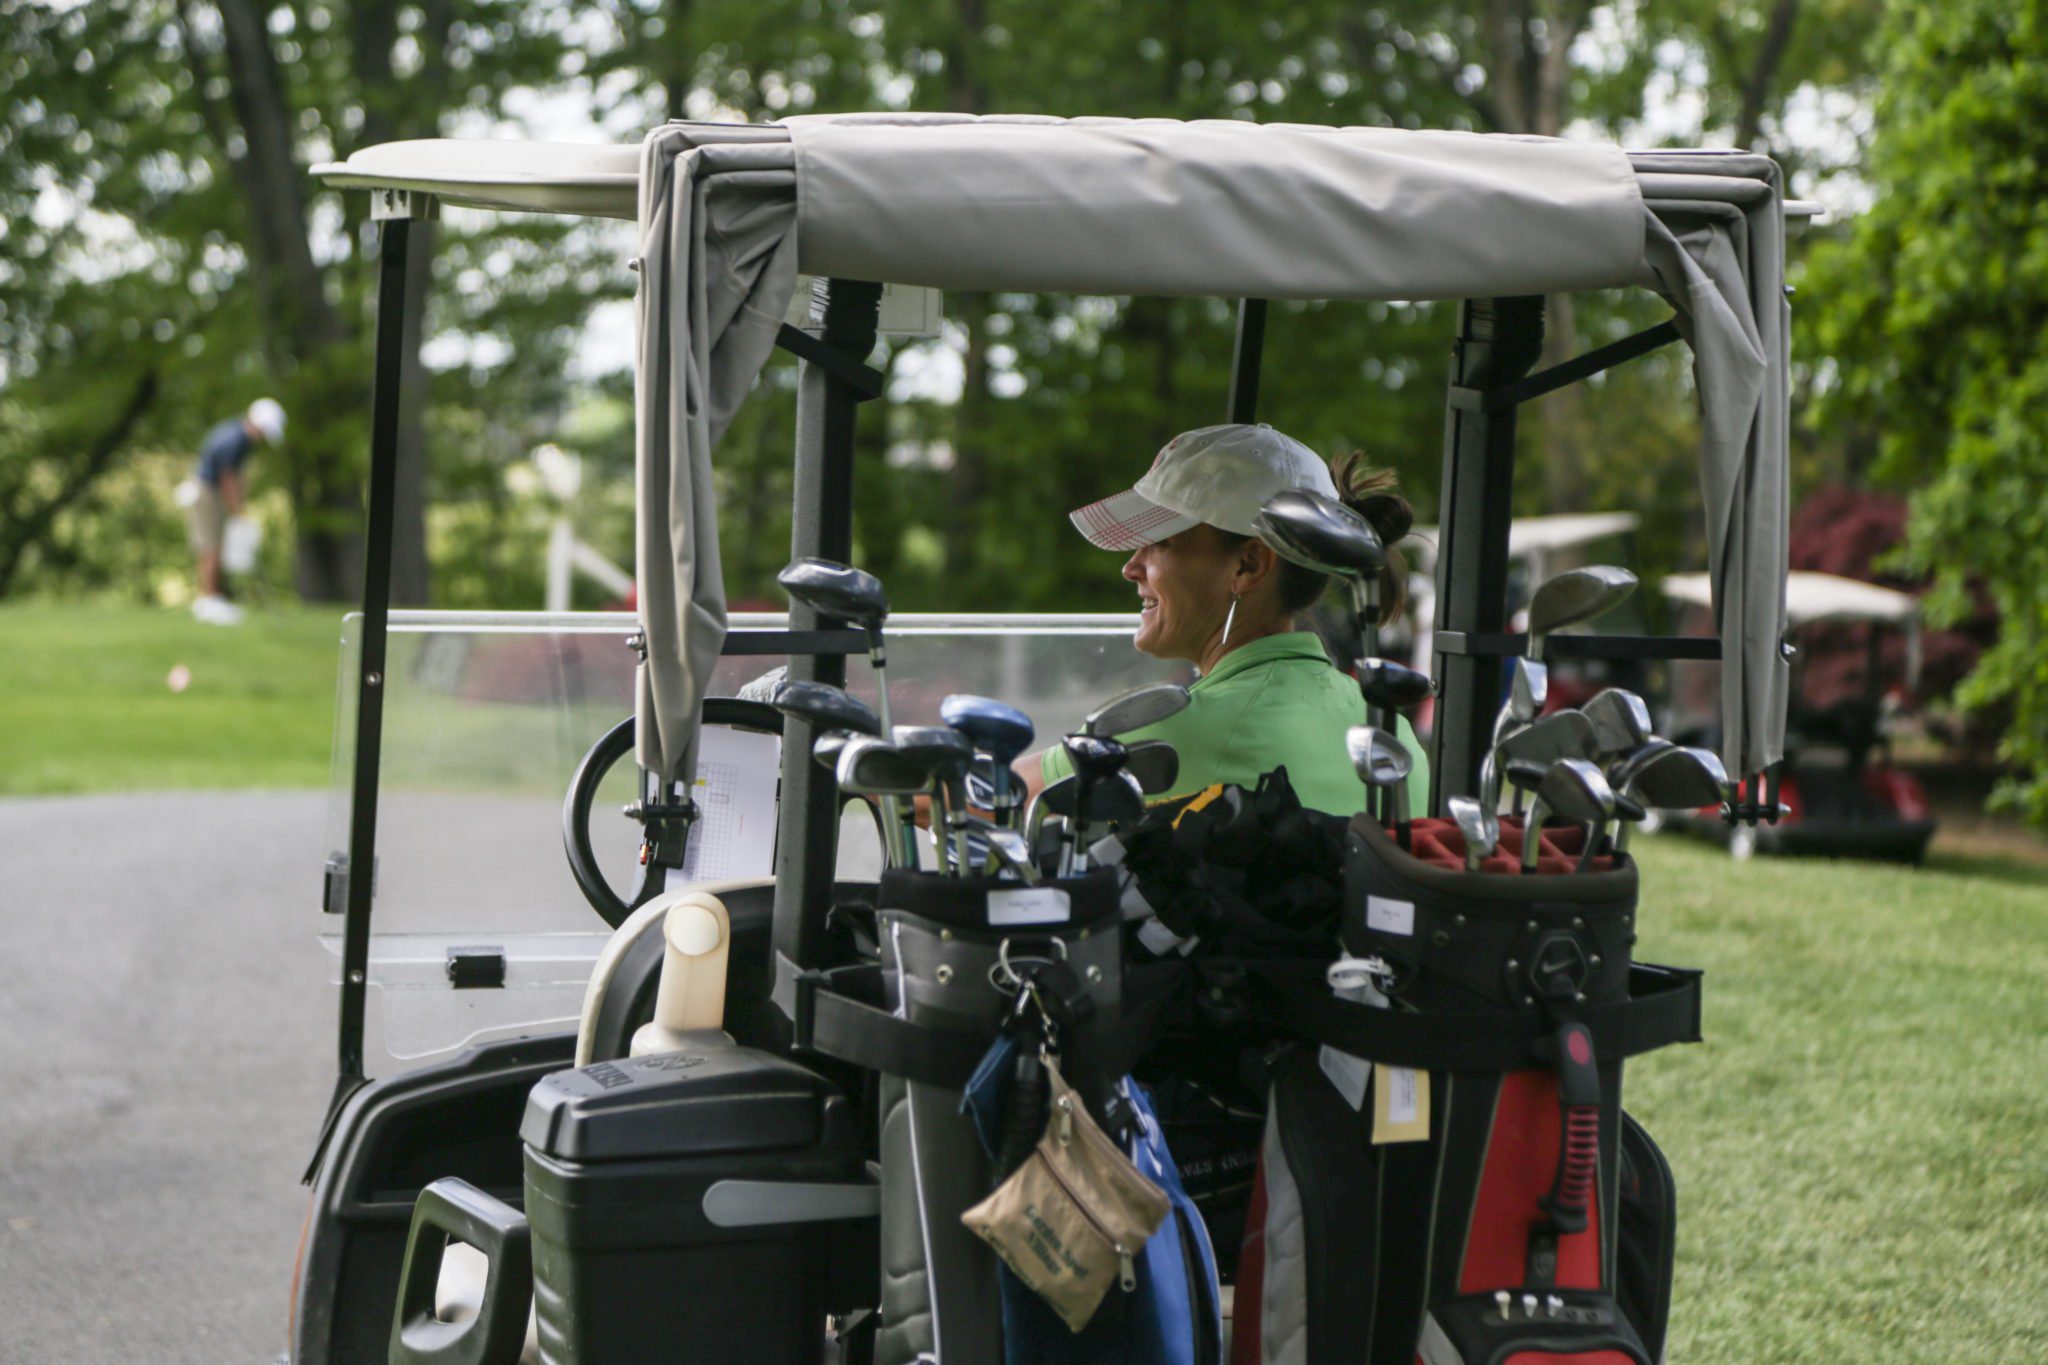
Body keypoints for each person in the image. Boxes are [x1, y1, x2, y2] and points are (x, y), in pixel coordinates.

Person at [1021, 423, 1428, 818]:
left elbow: (992, 793)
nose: (1131, 567)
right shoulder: (1389, 728)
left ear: (1248, 565)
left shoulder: (1178, 728)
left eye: (1161, 543)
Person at [186, 397, 284, 624]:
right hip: (208, 492)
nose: (263, 438)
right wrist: (238, 510)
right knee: (211, 546)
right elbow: (228, 478)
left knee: (216, 545)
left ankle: (211, 597)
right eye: (265, 431)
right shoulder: (237, 439)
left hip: (210, 491)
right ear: (258, 423)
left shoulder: (236, 432)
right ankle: (207, 600)